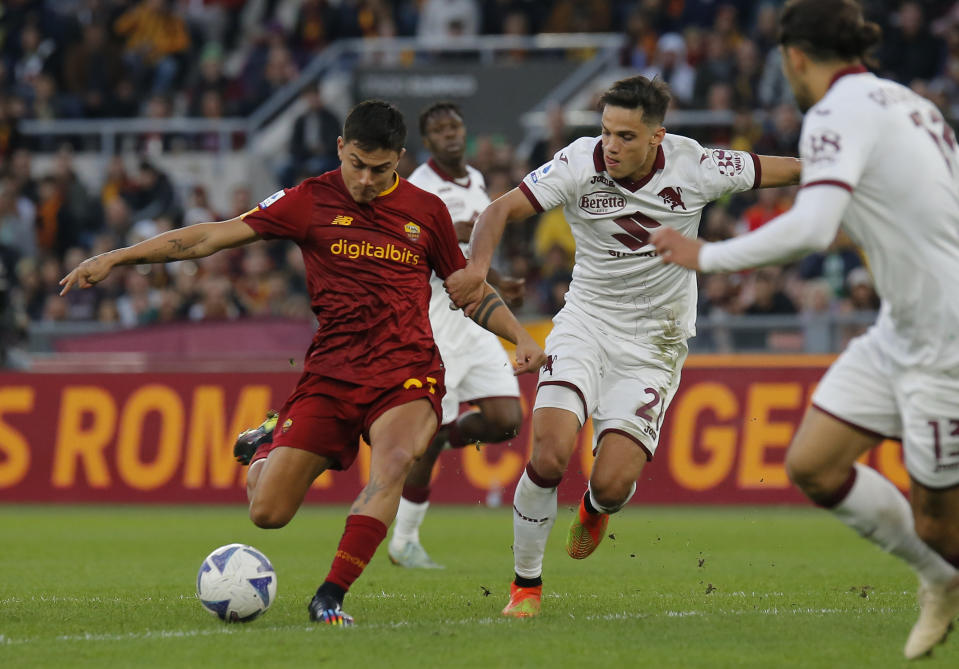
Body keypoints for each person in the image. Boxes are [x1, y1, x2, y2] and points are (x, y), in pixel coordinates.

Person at [59, 100, 546, 627]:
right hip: (332, 374)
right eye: (356, 163)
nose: (364, 178)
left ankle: (329, 596)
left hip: (405, 371)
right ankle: (269, 441)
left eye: (379, 169)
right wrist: (116, 256)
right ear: (340, 147)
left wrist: (517, 335)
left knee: (395, 464)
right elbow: (209, 237)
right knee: (267, 513)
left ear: (399, 160)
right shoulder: (308, 200)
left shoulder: (425, 211)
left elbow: (468, 292)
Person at [650, 0, 959, 659]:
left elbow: (814, 227)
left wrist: (705, 255)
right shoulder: (909, 103)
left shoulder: (833, 111)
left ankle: (941, 568)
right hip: (901, 325)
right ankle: (939, 580)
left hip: (945, 339)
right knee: (813, 463)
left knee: (939, 520)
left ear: (793, 57)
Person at [445, 74, 802, 618]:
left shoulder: (698, 165)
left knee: (611, 482)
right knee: (549, 452)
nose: (611, 145)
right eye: (607, 131)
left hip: (655, 341)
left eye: (627, 137)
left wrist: (854, 176)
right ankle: (526, 587)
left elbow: (787, 170)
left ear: (657, 137)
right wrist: (476, 269)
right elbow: (498, 211)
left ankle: (596, 508)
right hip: (585, 322)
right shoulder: (576, 162)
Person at [387, 102, 525, 568]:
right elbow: (417, 244)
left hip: (475, 321)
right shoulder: (419, 188)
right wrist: (453, 229)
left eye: (455, 127)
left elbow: (471, 252)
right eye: (439, 130)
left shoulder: (477, 182)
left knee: (506, 419)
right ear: (427, 142)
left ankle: (448, 433)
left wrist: (498, 280)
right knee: (422, 439)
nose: (449, 135)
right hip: (436, 322)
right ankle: (403, 541)